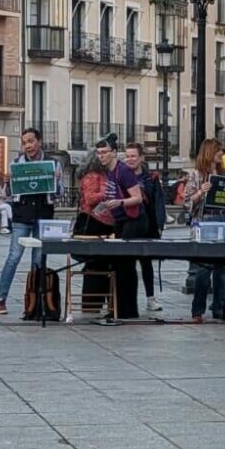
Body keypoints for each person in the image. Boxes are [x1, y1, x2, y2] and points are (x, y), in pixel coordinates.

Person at [0, 128, 61, 315]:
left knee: (38, 260)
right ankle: (1, 299)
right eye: (24, 142)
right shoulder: (16, 163)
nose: (28, 146)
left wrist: (55, 182)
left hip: (43, 216)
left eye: (31, 141)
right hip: (22, 215)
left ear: (39, 141)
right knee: (14, 257)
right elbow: (9, 195)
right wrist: (9, 184)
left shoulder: (53, 164)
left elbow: (59, 193)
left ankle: (35, 303)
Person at [94, 133, 144, 319]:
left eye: (105, 152)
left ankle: (127, 310)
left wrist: (119, 203)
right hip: (121, 221)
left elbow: (137, 198)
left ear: (114, 153)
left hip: (133, 220)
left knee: (125, 266)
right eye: (99, 153)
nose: (101, 156)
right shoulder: (110, 172)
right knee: (118, 265)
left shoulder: (123, 171)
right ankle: (120, 308)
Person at [183, 138, 225, 323]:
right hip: (204, 222)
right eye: (218, 151)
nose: (221, 154)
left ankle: (219, 308)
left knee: (222, 270)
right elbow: (187, 203)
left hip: (223, 221)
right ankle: (198, 309)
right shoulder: (196, 175)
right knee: (203, 271)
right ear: (211, 152)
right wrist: (200, 192)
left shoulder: (224, 174)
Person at [124, 143, 165, 312]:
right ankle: (128, 299)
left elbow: (158, 202)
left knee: (146, 263)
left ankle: (150, 298)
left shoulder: (151, 178)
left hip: (148, 224)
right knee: (127, 263)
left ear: (141, 158)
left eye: (133, 156)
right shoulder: (122, 176)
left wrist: (160, 224)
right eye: (127, 156)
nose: (130, 159)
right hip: (128, 224)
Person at [73, 154, 113, 315]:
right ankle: (92, 303)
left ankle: (97, 302)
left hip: (103, 224)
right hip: (94, 224)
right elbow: (90, 199)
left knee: (102, 265)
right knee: (96, 265)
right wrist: (107, 194)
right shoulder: (92, 176)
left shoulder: (103, 175)